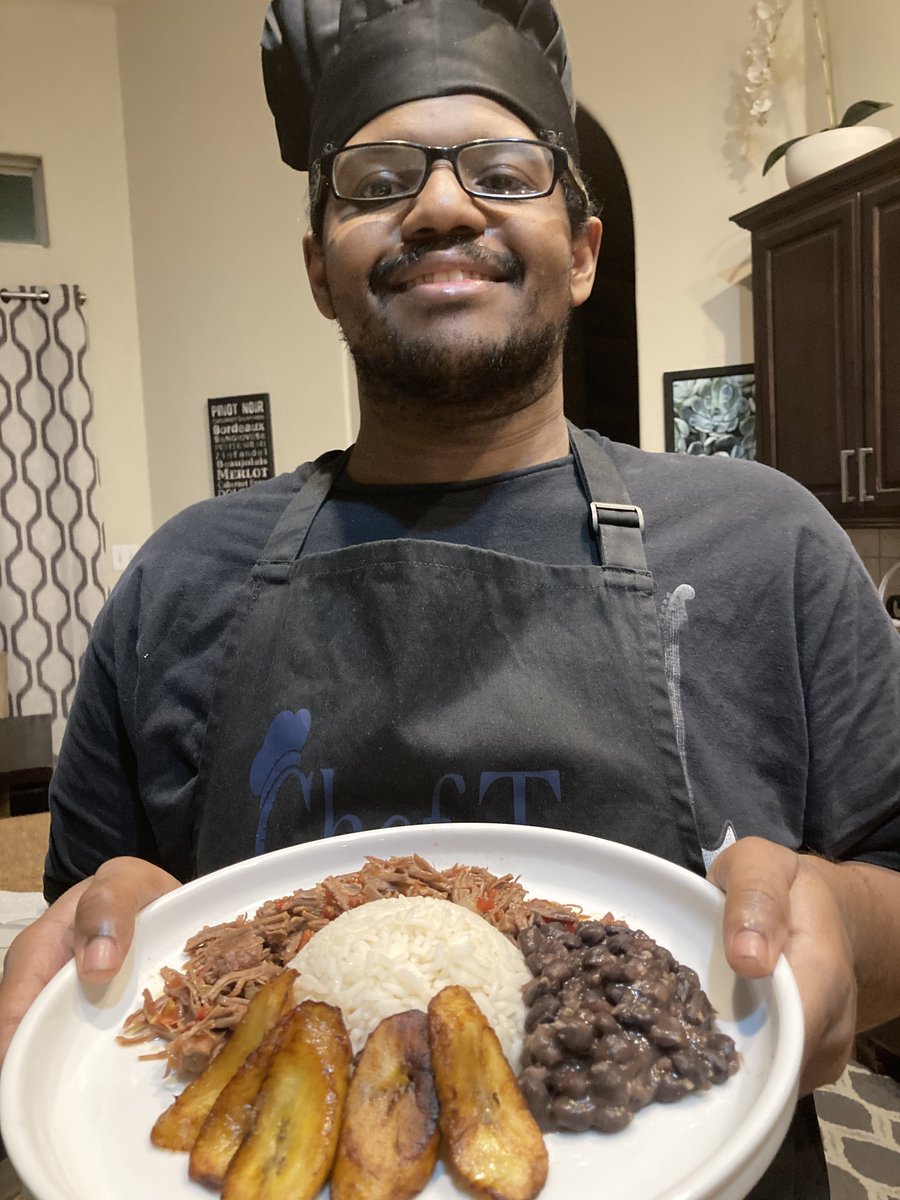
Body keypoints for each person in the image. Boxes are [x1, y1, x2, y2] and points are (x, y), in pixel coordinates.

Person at [1, 0, 898, 1195]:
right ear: (320, 269)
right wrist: (120, 932)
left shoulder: (766, 542)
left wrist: (841, 918)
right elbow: (92, 926)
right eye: (375, 180)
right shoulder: (178, 579)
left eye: (502, 169)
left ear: (582, 250)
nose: (438, 205)